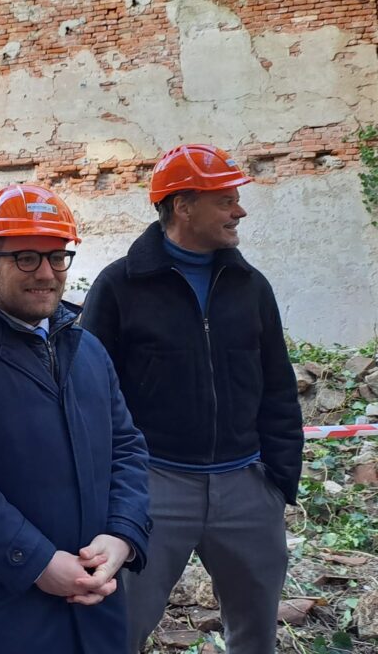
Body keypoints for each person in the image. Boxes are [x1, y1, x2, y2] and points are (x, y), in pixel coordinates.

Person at [0, 183, 152, 654]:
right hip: (0, 617)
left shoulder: (89, 351)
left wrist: (122, 535)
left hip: (95, 610)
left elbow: (127, 448)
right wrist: (37, 563)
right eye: (26, 258)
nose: (46, 273)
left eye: (57, 257)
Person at [81, 144, 303, 654]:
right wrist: (112, 492)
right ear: (183, 206)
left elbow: (278, 387)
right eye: (225, 200)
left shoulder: (251, 287)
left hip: (247, 487)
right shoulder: (119, 287)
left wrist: (277, 482)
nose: (239, 210)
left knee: (255, 638)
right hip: (153, 488)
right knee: (119, 631)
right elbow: (90, 398)